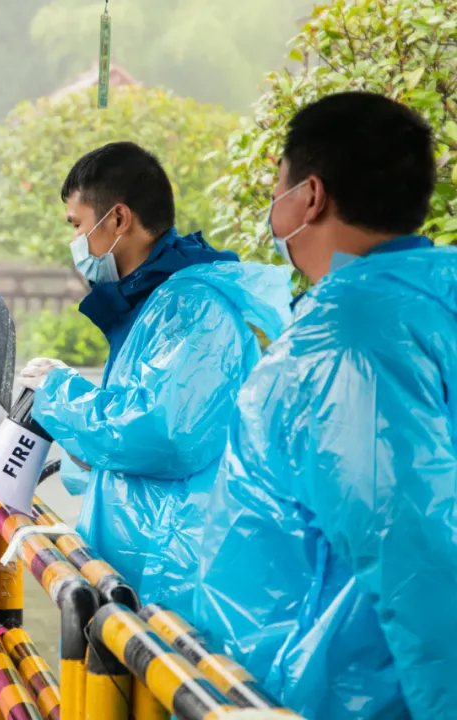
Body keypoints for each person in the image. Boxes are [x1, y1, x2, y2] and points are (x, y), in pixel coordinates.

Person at [193, 91, 457, 720]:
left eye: (277, 186)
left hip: (348, 692)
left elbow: (409, 545)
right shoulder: (427, 302)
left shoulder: (346, 341)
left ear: (310, 196)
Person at [22, 142, 292, 615]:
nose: (77, 242)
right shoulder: (155, 300)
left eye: (78, 225)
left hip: (175, 568)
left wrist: (60, 394)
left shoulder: (193, 307)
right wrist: (80, 428)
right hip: (145, 557)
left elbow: (163, 435)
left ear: (118, 219)